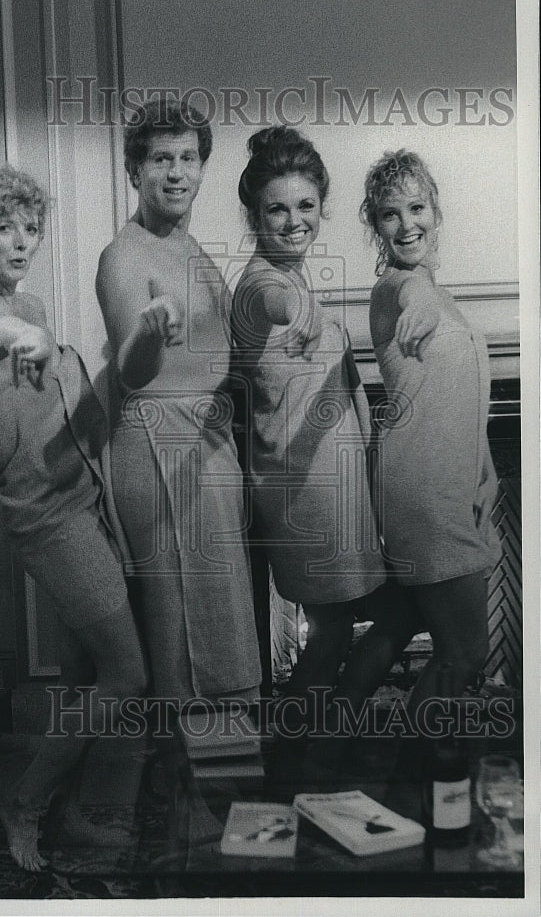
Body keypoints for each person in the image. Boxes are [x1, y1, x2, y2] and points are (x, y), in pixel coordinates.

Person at [0, 163, 147, 871]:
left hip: (85, 499)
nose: (22, 240)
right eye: (4, 227)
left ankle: (78, 812)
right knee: (127, 672)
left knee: (81, 676)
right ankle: (23, 802)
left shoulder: (31, 309)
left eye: (31, 228)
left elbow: (65, 404)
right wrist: (8, 334)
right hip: (46, 521)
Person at [232, 126, 418, 732]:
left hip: (335, 488)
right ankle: (306, 749)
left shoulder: (293, 273)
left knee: (356, 624)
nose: (293, 221)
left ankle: (317, 742)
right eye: (277, 209)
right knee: (341, 626)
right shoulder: (263, 284)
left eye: (305, 206)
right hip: (304, 493)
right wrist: (301, 310)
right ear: (254, 214)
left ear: (322, 207)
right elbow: (272, 306)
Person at [95, 95, 261, 709]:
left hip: (208, 451)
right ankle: (181, 796)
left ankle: (205, 784)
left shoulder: (192, 251)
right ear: (134, 170)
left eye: (188, 158)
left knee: (216, 623)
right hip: (157, 451)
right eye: (161, 158)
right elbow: (131, 371)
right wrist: (148, 333)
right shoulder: (124, 255)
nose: (176, 172)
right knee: (177, 632)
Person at [362, 149, 501, 715]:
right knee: (466, 651)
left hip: (443, 485)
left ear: (435, 213)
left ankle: (321, 752)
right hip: (423, 491)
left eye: (416, 208)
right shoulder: (398, 288)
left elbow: (461, 396)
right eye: (390, 215)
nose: (406, 224)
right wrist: (418, 295)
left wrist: (486, 467)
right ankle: (409, 778)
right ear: (376, 226)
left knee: (397, 624)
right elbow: (407, 295)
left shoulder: (442, 297)